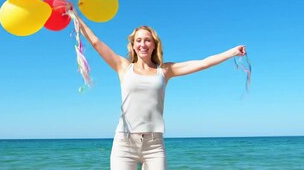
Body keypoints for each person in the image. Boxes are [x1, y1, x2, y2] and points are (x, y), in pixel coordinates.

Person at [76, 15, 246, 170]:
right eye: (139, 40)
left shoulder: (165, 70)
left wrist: (233, 52)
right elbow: (96, 42)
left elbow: (203, 63)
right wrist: (75, 16)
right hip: (124, 142)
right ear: (133, 45)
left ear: (154, 44)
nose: (143, 44)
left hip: (154, 144)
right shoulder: (123, 67)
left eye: (147, 40)